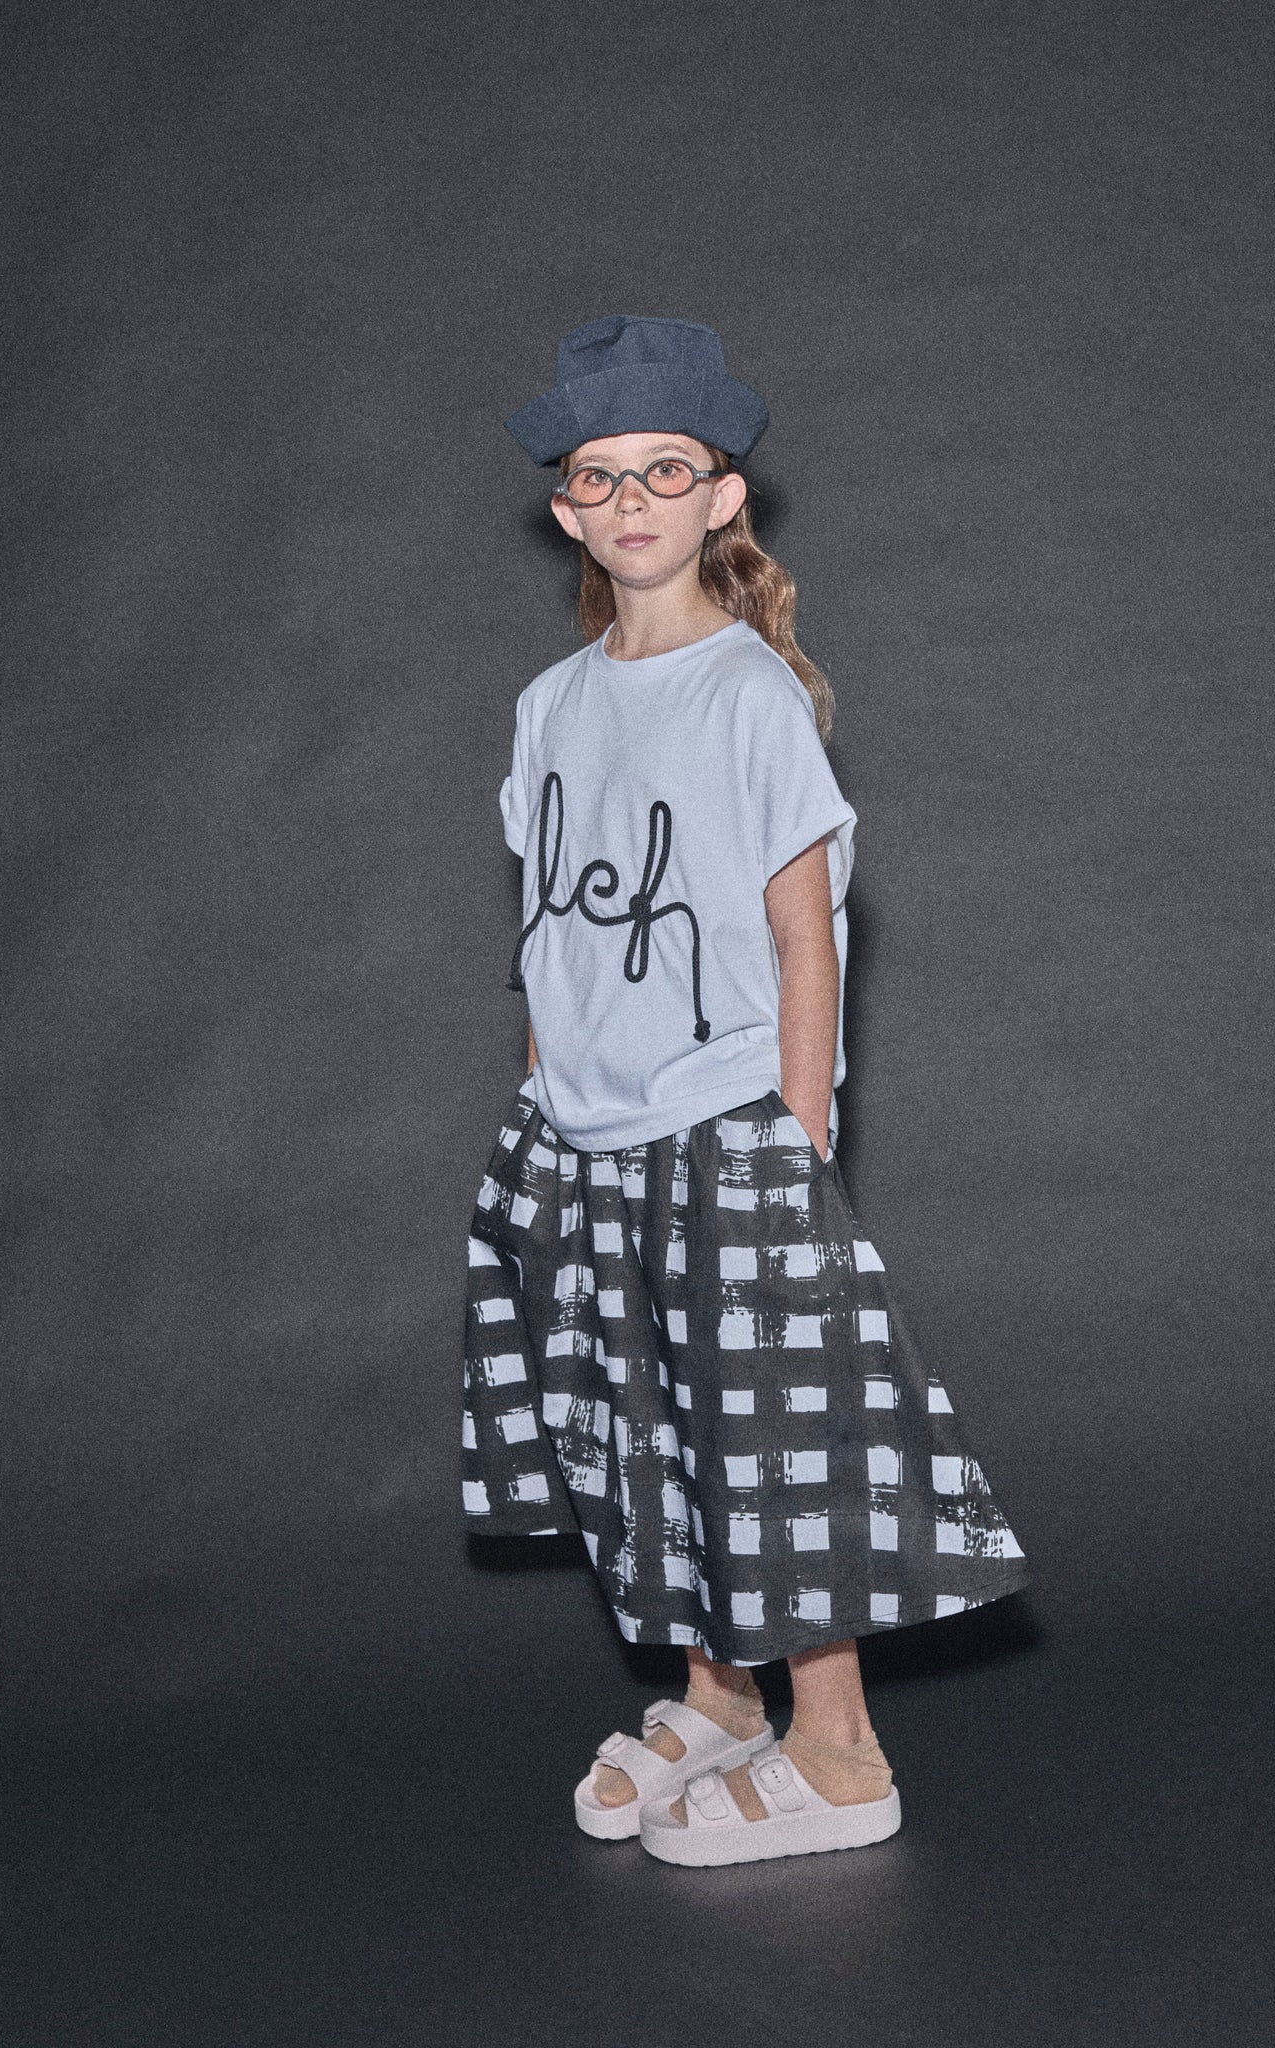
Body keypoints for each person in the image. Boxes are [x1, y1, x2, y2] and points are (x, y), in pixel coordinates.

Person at [461, 314, 1027, 1868]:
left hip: (720, 1127)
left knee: (761, 1437)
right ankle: (720, 1695)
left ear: (721, 498)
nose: (631, 498)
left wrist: (795, 1133)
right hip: (583, 1132)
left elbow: (802, 933)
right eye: (599, 476)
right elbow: (551, 927)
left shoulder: (745, 694)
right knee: (643, 1432)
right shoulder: (550, 702)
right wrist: (543, 1098)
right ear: (566, 510)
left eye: (666, 469)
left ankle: (839, 1752)